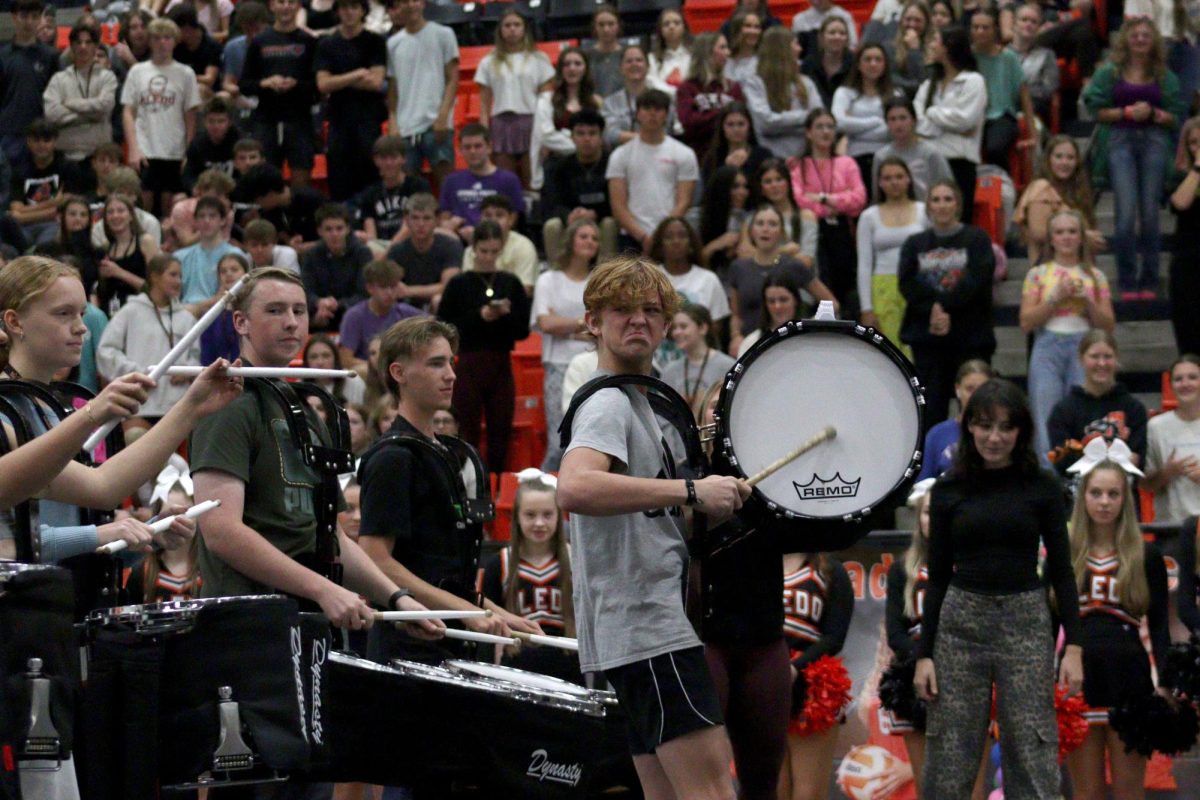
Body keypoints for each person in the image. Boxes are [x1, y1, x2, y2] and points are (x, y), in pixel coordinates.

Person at [557, 255, 749, 800]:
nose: (638, 320)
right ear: (593, 321)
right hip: (646, 627)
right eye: (622, 310)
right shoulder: (608, 403)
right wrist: (692, 491)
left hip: (636, 627)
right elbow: (574, 488)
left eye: (651, 310)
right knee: (712, 791)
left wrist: (712, 496)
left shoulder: (636, 401)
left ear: (667, 325)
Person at [189, 266, 442, 632]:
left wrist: (396, 597)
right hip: (247, 620)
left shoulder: (305, 409)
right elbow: (220, 531)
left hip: (305, 617)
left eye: (299, 310)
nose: (291, 322)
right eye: (275, 310)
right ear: (241, 322)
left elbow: (332, 536)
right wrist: (322, 588)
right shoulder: (227, 403)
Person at [0, 255, 241, 564]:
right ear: (15, 322)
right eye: (63, 314)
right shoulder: (7, 410)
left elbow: (101, 488)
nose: (81, 329)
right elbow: (12, 544)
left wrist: (192, 407)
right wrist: (91, 414)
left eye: (82, 314)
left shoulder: (45, 408)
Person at [913, 378, 1083, 799]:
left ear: (1021, 431)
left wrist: (1074, 645)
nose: (994, 437)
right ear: (968, 426)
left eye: (1005, 427)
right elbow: (936, 578)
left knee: (1032, 745)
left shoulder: (1043, 487)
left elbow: (1062, 571)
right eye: (985, 425)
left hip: (1025, 620)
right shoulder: (948, 488)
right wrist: (924, 654)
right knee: (950, 748)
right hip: (960, 621)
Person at [357, 316, 538, 669]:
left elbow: (443, 573)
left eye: (450, 363)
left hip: (448, 642)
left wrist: (495, 612)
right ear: (398, 373)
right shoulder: (393, 457)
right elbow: (376, 560)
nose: (451, 375)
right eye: (436, 363)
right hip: (410, 647)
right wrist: (468, 611)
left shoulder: (442, 451)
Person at [1064, 450, 1174, 800]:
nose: (1104, 502)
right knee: (1087, 793)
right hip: (1077, 679)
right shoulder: (1065, 553)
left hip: (1130, 677)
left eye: (1113, 494)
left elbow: (1159, 626)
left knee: (1129, 792)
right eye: (1096, 493)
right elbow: (1050, 625)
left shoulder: (1145, 555)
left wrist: (1167, 683)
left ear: (1126, 499)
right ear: (1083, 497)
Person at [1083, 17, 1184, 300]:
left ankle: (1151, 280)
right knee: (1125, 215)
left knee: (1150, 215)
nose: (1140, 39)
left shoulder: (1165, 75)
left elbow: (1176, 116)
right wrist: (1126, 113)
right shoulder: (1110, 72)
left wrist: (1153, 114)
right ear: (1125, 39)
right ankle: (1127, 279)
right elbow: (1095, 108)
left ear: (1154, 42)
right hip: (1120, 141)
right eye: (1135, 35)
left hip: (1153, 141)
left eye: (1145, 35)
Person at [1020, 209, 1115, 465]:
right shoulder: (1037, 274)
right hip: (1048, 344)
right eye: (1059, 232)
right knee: (1045, 417)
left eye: (1072, 231)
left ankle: (1083, 479)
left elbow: (1108, 325)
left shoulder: (1096, 276)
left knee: (1083, 415)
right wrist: (1055, 297)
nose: (1066, 237)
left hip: (1084, 346)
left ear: (1081, 237)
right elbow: (1026, 321)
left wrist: (1088, 301)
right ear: (1051, 239)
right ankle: (1050, 479)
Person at [898, 180, 996, 427]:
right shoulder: (914, 243)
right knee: (930, 411)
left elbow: (978, 279)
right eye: (936, 199)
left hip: (970, 336)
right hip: (928, 339)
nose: (942, 205)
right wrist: (933, 308)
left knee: (979, 410)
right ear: (928, 205)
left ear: (958, 204)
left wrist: (943, 307)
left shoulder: (977, 239)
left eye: (948, 199)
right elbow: (907, 282)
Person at [437, 220, 530, 476]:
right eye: (484, 251)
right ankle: (467, 482)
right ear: (474, 249)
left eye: (494, 251)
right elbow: (445, 326)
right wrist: (480, 316)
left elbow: (522, 329)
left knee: (501, 430)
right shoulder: (458, 284)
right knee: (466, 430)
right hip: (467, 363)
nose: (488, 257)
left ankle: (496, 483)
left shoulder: (510, 283)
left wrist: (506, 315)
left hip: (500, 363)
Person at [480, 470, 581, 682]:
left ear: (560, 515)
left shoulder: (576, 562)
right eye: (530, 515)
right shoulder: (499, 564)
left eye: (547, 514)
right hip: (515, 671)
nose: (539, 523)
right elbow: (485, 623)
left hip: (567, 671)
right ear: (516, 516)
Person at [780, 551, 854, 800]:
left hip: (813, 685)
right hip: (764, 681)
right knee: (771, 790)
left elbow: (835, 637)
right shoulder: (756, 561)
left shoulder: (830, 569)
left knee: (808, 793)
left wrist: (795, 666)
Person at [97, 254, 199, 430]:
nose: (178, 281)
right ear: (154, 277)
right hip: (140, 405)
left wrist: (186, 370)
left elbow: (195, 357)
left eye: (180, 276)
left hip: (177, 406)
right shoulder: (130, 312)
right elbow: (106, 351)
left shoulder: (186, 318)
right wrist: (136, 372)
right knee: (134, 438)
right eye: (173, 275)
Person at [531, 218, 597, 471]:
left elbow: (601, 327)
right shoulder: (549, 279)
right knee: (560, 440)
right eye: (584, 236)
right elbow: (546, 324)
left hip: (594, 361)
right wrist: (583, 324)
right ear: (570, 241)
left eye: (594, 237)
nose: (590, 241)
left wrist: (566, 326)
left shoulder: (598, 280)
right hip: (559, 363)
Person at [120, 17, 201, 217]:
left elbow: (190, 115)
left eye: (167, 38)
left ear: (175, 41)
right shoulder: (138, 72)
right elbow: (128, 111)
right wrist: (133, 148)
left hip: (174, 148)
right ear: (149, 41)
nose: (162, 43)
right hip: (145, 148)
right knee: (143, 202)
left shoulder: (186, 73)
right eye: (157, 38)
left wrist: (187, 152)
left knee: (169, 205)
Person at [790, 108, 867, 315]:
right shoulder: (799, 165)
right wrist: (836, 204)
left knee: (846, 288)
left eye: (830, 127)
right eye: (819, 127)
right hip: (815, 231)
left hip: (843, 233)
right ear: (808, 132)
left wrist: (824, 198)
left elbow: (859, 199)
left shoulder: (847, 163)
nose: (825, 132)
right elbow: (799, 199)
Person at [727, 205, 834, 354]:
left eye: (772, 224)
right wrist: (736, 336)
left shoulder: (793, 265)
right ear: (751, 231)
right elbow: (736, 314)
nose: (765, 229)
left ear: (782, 232)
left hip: (788, 347)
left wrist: (807, 329)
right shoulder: (739, 267)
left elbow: (831, 303)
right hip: (750, 347)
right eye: (760, 223)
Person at [606, 89, 699, 253]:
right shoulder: (620, 155)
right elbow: (618, 205)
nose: (652, 114)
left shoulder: (684, 154)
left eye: (658, 109)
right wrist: (642, 236)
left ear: (666, 114)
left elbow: (684, 201)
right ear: (638, 114)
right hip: (631, 236)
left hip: (671, 236)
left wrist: (662, 234)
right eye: (647, 109)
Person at [238, 0, 319, 188]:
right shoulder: (259, 41)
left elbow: (319, 85)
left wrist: (296, 85)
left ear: (298, 6)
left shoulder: (310, 42)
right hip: (266, 119)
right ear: (272, 6)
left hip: (299, 119)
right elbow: (244, 84)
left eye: (291, 2)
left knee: (301, 179)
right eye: (281, 2)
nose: (286, 7)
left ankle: (299, 217)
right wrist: (265, 83)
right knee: (265, 180)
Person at [1046, 329, 1149, 473]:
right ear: (1081, 359)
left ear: (1116, 358)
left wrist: (1088, 459)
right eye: (1094, 356)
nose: (1102, 363)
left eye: (1108, 356)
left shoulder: (1134, 409)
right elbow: (1062, 462)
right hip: (1078, 492)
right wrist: (1116, 459)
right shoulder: (1063, 411)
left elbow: (1139, 460)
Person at [315, 0, 387, 202]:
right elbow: (322, 85)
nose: (349, 12)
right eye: (344, 8)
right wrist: (356, 75)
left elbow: (375, 82)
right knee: (339, 180)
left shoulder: (375, 41)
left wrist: (337, 79)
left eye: (354, 7)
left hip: (369, 120)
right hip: (339, 121)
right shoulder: (327, 44)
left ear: (363, 11)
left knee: (371, 177)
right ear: (337, 11)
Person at [856, 155, 929, 352]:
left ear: (908, 179)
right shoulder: (868, 216)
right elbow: (864, 264)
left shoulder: (924, 211)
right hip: (883, 287)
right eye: (887, 178)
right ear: (879, 183)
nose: (894, 182)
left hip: (918, 285)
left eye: (899, 176)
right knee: (889, 349)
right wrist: (866, 308)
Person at [476, 9, 555, 188]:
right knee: (505, 183)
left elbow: (546, 101)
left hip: (531, 122)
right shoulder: (488, 61)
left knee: (533, 180)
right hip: (502, 123)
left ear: (525, 29)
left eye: (517, 25)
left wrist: (546, 132)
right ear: (500, 30)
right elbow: (484, 105)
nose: (512, 29)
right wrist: (483, 134)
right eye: (507, 25)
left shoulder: (539, 58)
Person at [385, 0, 458, 189]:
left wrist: (443, 116)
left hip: (436, 124)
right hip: (405, 127)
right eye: (405, 2)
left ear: (423, 4)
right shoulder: (393, 44)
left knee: (447, 187)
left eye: (415, 0)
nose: (410, 5)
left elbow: (452, 78)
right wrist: (393, 121)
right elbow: (393, 88)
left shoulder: (444, 34)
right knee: (409, 191)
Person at [914, 26, 986, 219]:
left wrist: (932, 113)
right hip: (929, 161)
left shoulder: (973, 81)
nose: (930, 45)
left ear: (949, 47)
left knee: (958, 220)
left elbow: (964, 120)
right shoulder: (928, 85)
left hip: (960, 163)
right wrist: (947, 125)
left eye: (935, 41)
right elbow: (917, 123)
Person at [541, 108, 617, 263]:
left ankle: (606, 279)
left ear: (601, 137)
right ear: (572, 137)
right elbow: (551, 203)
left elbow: (618, 202)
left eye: (592, 133)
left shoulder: (613, 163)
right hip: (571, 221)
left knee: (609, 224)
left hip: (601, 219)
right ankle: (557, 275)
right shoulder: (559, 167)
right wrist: (568, 216)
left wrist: (594, 214)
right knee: (552, 225)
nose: (586, 139)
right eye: (580, 133)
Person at [1014, 134, 1105, 264]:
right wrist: (1084, 237)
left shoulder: (1078, 192)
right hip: (1048, 272)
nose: (1064, 162)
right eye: (1058, 156)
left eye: (1070, 158)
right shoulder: (1040, 187)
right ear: (1048, 160)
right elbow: (1039, 233)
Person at [125, 458, 203, 602]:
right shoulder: (141, 573)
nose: (176, 522)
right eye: (169, 514)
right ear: (157, 517)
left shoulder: (210, 572)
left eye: (185, 513)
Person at [42, 21, 119, 163]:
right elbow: (52, 114)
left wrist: (70, 104)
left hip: (99, 158)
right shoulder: (58, 79)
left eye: (88, 42)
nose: (83, 47)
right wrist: (92, 115)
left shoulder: (107, 77)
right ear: (71, 46)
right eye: (78, 42)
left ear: (95, 47)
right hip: (64, 157)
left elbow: (105, 106)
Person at [437, 123, 525, 245]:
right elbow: (444, 218)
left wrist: (481, 234)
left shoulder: (509, 179)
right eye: (467, 147)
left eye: (478, 146)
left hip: (496, 241)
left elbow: (512, 220)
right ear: (461, 150)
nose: (472, 151)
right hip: (457, 241)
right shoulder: (451, 181)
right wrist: (452, 226)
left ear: (489, 147)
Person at [742, 28, 822, 160]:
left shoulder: (806, 82)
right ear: (782, 48)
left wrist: (780, 123)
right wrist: (805, 119)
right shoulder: (754, 83)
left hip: (805, 158)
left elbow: (818, 119)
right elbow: (765, 124)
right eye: (795, 44)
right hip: (771, 160)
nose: (800, 49)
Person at [969, 8, 1036, 168]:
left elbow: (1024, 96)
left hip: (1002, 116)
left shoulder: (1008, 57)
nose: (980, 31)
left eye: (985, 27)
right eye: (976, 27)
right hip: (973, 117)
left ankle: (1001, 185)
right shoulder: (967, 57)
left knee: (995, 148)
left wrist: (1033, 134)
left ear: (995, 30)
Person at [530, 46, 602, 191]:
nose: (572, 68)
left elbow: (601, 136)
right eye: (567, 64)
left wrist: (564, 136)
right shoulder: (546, 100)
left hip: (590, 167)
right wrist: (584, 146)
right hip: (557, 167)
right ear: (560, 70)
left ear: (585, 68)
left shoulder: (597, 102)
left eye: (577, 64)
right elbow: (545, 136)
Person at [833, 44, 902, 189]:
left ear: (885, 65)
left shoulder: (895, 94)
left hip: (888, 159)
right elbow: (838, 123)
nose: (873, 64)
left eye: (878, 59)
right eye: (868, 59)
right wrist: (877, 121)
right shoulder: (844, 92)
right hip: (854, 158)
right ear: (858, 64)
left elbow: (896, 130)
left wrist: (853, 127)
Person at [0, 0, 60, 168]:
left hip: (41, 136)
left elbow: (56, 96)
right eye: (24, 16)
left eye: (34, 17)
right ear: (14, 17)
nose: (28, 22)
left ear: (41, 18)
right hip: (9, 134)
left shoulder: (51, 56)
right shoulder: (3, 56)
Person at [1141, 355, 1200, 523]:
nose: (1185, 384)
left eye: (1193, 377)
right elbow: (1146, 484)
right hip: (1171, 527)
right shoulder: (1156, 426)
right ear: (1171, 386)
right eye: (1178, 379)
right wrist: (1167, 472)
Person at [9, 119, 85, 247]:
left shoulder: (68, 167)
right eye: (36, 140)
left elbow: (66, 209)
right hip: (24, 228)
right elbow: (15, 209)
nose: (41, 145)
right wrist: (53, 203)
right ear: (28, 142)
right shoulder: (19, 170)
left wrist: (23, 214)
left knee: (46, 246)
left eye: (46, 140)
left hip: (54, 224)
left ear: (54, 142)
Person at [916, 359, 994, 480]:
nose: (976, 395)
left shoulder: (999, 434)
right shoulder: (937, 435)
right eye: (969, 389)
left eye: (983, 389)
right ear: (957, 389)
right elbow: (921, 487)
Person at [651, 216, 732, 330]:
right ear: (660, 246)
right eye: (669, 237)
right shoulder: (649, 279)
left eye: (682, 236)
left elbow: (714, 331)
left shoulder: (709, 279)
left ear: (691, 244)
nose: (676, 241)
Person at [339, 258, 423, 366]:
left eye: (393, 286)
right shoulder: (354, 316)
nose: (389, 292)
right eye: (383, 287)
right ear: (370, 288)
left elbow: (434, 327)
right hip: (368, 374)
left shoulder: (407, 313)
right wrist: (380, 369)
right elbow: (346, 360)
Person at [676, 32, 746, 158]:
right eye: (722, 47)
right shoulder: (687, 88)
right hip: (699, 156)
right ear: (707, 52)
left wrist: (706, 117)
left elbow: (742, 120)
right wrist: (723, 115)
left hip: (731, 154)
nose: (728, 53)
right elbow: (689, 123)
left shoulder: (733, 87)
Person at [871, 97, 954, 203]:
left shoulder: (930, 153)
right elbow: (877, 195)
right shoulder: (881, 156)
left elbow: (948, 188)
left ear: (914, 121)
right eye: (892, 119)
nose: (898, 124)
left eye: (903, 118)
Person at [354, 134, 432, 246]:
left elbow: (413, 224)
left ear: (404, 159)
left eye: (394, 157)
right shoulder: (369, 193)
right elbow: (371, 233)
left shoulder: (418, 186)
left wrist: (390, 249)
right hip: (381, 246)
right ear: (376, 160)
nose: (389, 163)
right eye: (384, 158)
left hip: (411, 245)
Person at [176, 195, 246, 311]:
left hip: (220, 312)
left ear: (223, 220)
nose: (206, 221)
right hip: (185, 314)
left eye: (212, 216)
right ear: (195, 221)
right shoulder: (180, 256)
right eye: (201, 216)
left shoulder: (235, 255)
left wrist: (197, 308)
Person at [742, 158, 818, 265]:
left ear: (788, 183)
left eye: (779, 179)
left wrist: (762, 256)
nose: (774, 186)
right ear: (761, 189)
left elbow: (806, 261)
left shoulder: (806, 216)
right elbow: (744, 255)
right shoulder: (752, 218)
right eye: (768, 182)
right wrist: (784, 251)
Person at [460, 193, 538, 293]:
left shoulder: (524, 247)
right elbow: (467, 287)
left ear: (511, 219)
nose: (493, 220)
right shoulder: (472, 249)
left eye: (499, 215)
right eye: (488, 215)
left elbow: (526, 289)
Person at [661, 304, 736, 406]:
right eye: (674, 328)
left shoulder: (727, 366)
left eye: (683, 326)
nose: (676, 332)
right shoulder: (669, 371)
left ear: (703, 328)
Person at [97, 194, 159, 314]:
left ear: (131, 215)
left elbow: (156, 287)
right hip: (112, 313)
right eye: (110, 212)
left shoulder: (145, 242)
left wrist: (120, 273)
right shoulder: (105, 249)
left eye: (120, 211)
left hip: (141, 311)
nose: (115, 216)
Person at [1170, 117, 1200, 357]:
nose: (1198, 147)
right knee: (1189, 339)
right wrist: (1198, 169)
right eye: (1194, 142)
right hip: (1188, 265)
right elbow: (1180, 203)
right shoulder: (1182, 177)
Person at [600, 43, 667, 149]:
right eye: (629, 61)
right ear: (621, 68)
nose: (634, 64)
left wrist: (629, 137)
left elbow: (666, 131)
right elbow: (610, 135)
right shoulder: (609, 103)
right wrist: (647, 138)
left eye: (639, 60)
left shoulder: (662, 99)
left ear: (648, 66)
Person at [1008, 3, 1060, 123]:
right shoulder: (1002, 54)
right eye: (1024, 20)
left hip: (1035, 106)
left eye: (1033, 21)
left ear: (1038, 28)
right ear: (1014, 24)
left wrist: (1022, 92)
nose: (1028, 24)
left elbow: (1048, 89)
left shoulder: (1047, 55)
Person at [699, 164, 753, 274]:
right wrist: (715, 245)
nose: (742, 192)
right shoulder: (697, 218)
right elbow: (687, 264)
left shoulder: (749, 219)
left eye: (745, 187)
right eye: (735, 187)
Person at [700, 102, 773, 180]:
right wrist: (727, 169)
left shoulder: (763, 155)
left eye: (741, 124)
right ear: (722, 128)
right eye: (730, 124)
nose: (736, 129)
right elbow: (710, 189)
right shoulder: (713, 158)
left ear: (749, 126)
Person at [736, 272, 803, 357]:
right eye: (771, 301)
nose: (777, 306)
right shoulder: (751, 343)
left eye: (783, 300)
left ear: (796, 301)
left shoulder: (811, 338)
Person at [181, 98, 238, 194]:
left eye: (221, 121)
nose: (216, 126)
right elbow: (189, 175)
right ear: (204, 122)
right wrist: (194, 187)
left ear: (229, 122)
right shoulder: (197, 144)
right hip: (203, 194)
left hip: (232, 193)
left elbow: (245, 176)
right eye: (211, 121)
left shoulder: (239, 143)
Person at [199, 252, 247, 365]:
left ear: (246, 274)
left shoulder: (255, 310)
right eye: (223, 271)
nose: (228, 274)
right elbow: (207, 354)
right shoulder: (212, 314)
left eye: (234, 269)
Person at [167, 5, 221, 101]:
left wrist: (184, 76)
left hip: (206, 91)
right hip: (178, 87)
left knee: (199, 90)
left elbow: (209, 79)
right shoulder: (175, 46)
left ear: (186, 29)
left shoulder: (212, 46)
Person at [802, 16, 854, 110]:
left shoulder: (855, 64)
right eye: (832, 33)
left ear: (847, 38)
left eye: (842, 33)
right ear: (821, 37)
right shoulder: (809, 64)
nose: (837, 37)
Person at [302, 334, 368, 405]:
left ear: (335, 359)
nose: (320, 362)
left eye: (326, 356)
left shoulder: (352, 381)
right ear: (306, 362)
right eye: (314, 357)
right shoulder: (299, 386)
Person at [887, 1, 932, 98]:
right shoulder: (890, 47)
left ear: (926, 23)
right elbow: (891, 78)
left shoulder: (934, 49)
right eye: (908, 19)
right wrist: (915, 86)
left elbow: (925, 82)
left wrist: (914, 51)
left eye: (917, 20)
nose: (912, 24)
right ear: (901, 21)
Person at [648, 8, 693, 98]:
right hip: (661, 104)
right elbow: (651, 82)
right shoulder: (651, 59)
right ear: (660, 30)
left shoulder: (695, 56)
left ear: (684, 27)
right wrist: (677, 93)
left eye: (676, 23)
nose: (671, 27)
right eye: (666, 24)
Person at [584, 3, 624, 97]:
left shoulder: (627, 54)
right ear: (595, 27)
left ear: (618, 26)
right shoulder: (586, 56)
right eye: (601, 25)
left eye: (611, 24)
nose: (606, 29)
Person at [725, 9, 763, 86]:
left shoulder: (764, 61)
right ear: (737, 30)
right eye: (747, 26)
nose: (753, 31)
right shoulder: (725, 61)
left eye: (757, 27)